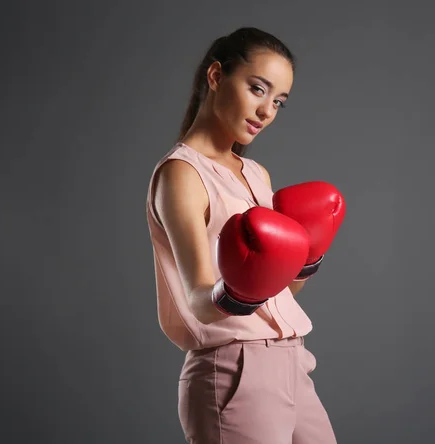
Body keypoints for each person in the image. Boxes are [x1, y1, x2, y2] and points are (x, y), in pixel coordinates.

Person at [146, 27, 345, 444]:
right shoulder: (182, 175)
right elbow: (200, 303)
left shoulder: (255, 173)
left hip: (292, 360)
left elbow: (282, 289)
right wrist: (242, 287)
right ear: (216, 76)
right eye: (258, 89)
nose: (266, 111)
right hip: (234, 370)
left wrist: (309, 255)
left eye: (278, 102)